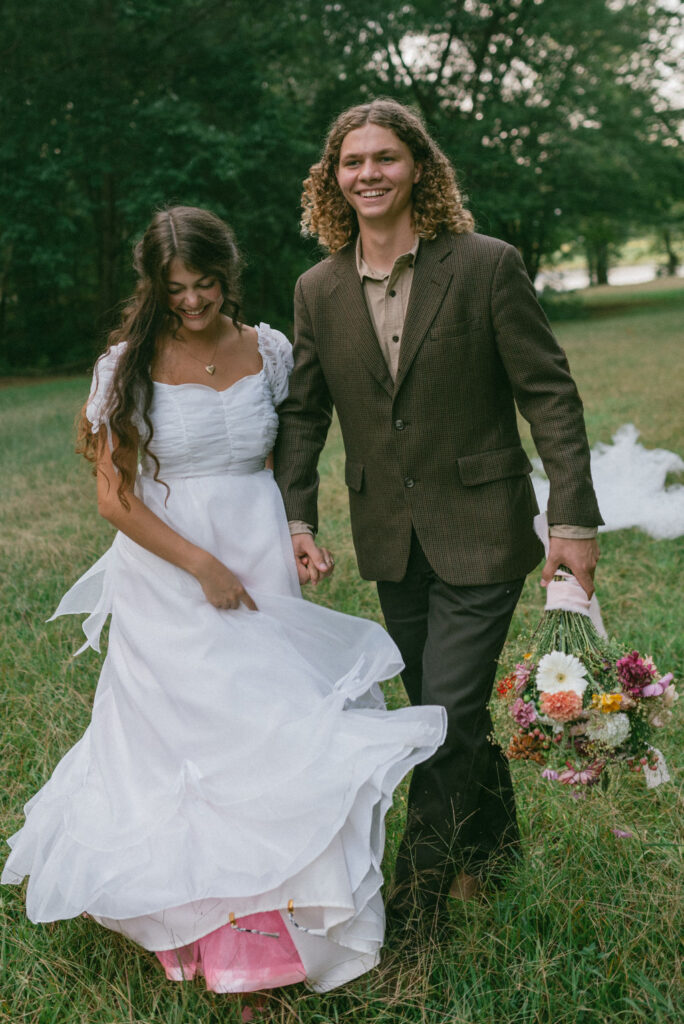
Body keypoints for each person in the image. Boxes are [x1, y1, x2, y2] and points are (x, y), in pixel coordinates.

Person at [1, 205, 446, 994]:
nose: (194, 302)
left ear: (226, 276)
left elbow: (283, 457)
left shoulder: (268, 350)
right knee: (198, 742)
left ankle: (291, 914)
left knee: (275, 729)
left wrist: (298, 534)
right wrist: (200, 565)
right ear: (154, 285)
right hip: (172, 566)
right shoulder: (126, 365)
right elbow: (114, 499)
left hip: (260, 547)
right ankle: (205, 925)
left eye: (205, 284)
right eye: (176, 289)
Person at [273, 99, 602, 933]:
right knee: (443, 714)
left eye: (385, 157)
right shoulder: (318, 289)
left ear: (418, 166)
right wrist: (299, 518)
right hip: (389, 536)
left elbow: (548, 393)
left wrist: (573, 521)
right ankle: (488, 857)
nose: (369, 173)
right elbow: (304, 414)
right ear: (333, 179)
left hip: (486, 529)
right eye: (353, 162)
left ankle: (410, 915)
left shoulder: (485, 264)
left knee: (442, 720)